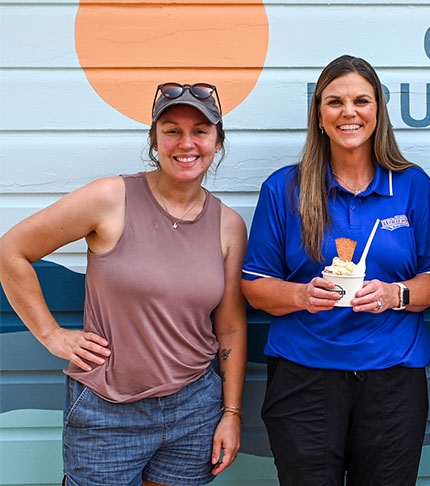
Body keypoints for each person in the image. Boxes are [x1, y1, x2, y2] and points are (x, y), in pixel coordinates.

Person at [0, 82, 247, 486]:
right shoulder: (110, 197)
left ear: (217, 143)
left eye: (200, 131)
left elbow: (231, 327)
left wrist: (231, 414)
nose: (186, 143)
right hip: (107, 410)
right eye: (172, 130)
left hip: (194, 408)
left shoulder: (229, 226)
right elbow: (11, 251)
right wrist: (51, 334)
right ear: (154, 139)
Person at [241, 55, 430, 486]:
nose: (349, 112)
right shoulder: (284, 188)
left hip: (392, 380)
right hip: (304, 379)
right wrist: (300, 295)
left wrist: (397, 295)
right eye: (335, 102)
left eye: (361, 101)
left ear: (378, 112)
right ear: (319, 115)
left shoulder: (412, 186)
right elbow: (254, 285)